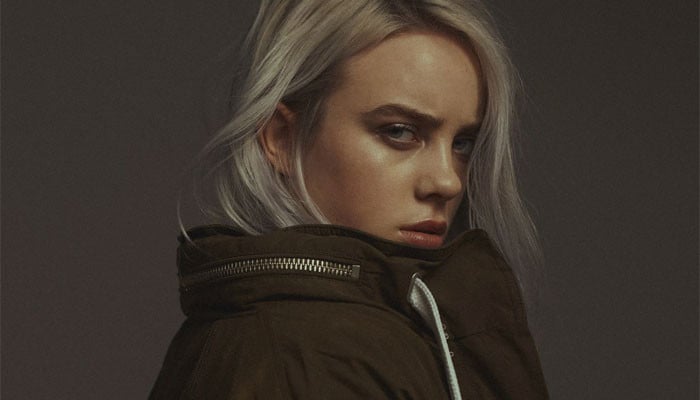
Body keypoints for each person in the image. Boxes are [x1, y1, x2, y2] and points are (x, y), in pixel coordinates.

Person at [150, 0, 549, 398]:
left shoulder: (399, 336)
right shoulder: (292, 355)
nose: (448, 181)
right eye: (399, 132)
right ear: (282, 138)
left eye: (462, 143)